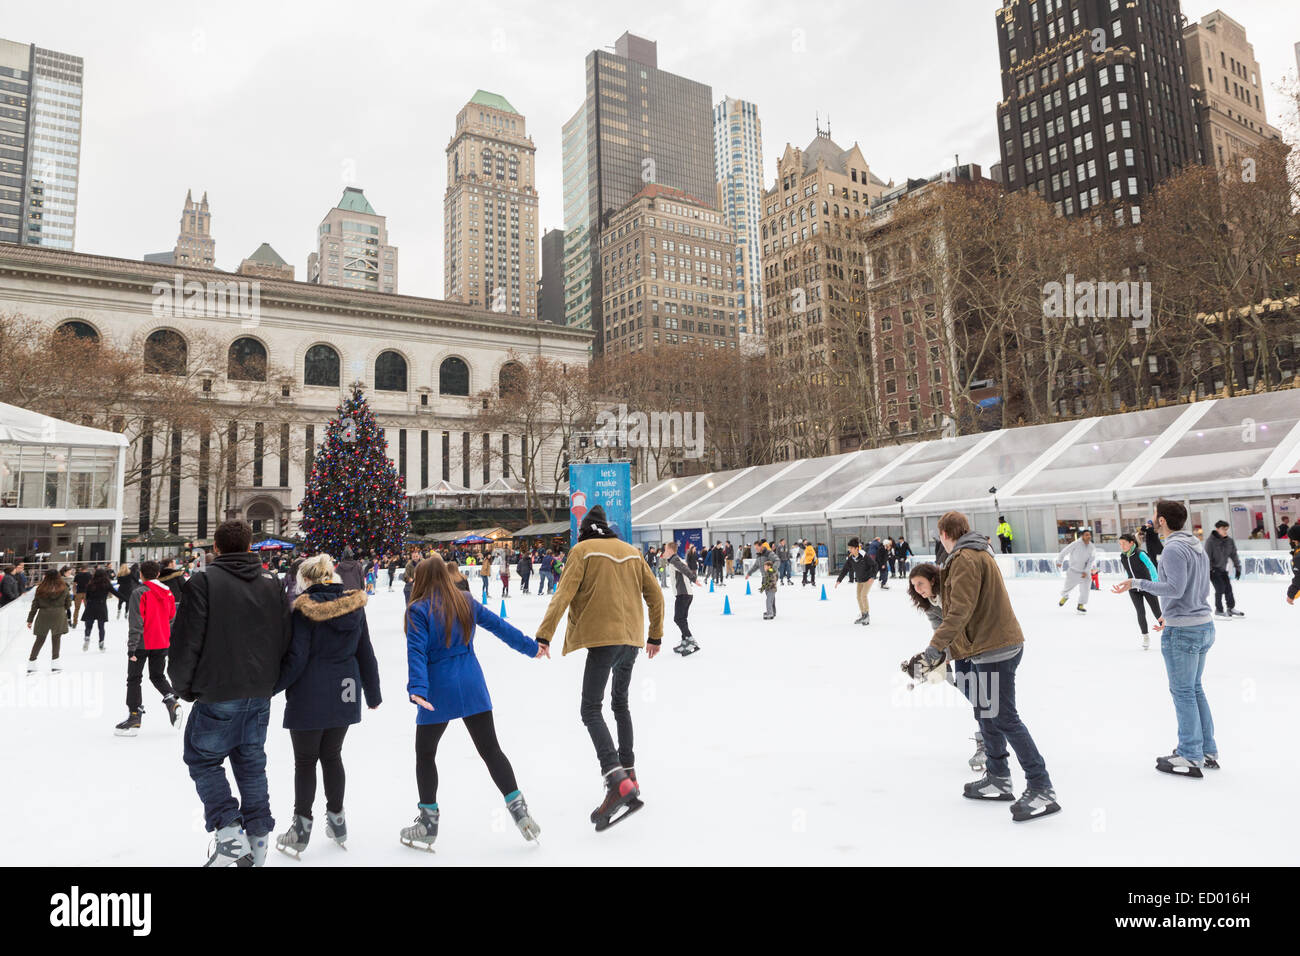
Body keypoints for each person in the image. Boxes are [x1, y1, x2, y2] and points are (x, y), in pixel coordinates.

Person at [912, 510, 1058, 821]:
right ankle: (998, 777)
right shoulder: (975, 554)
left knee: (1005, 717)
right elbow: (966, 613)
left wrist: (932, 651)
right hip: (987, 646)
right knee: (987, 713)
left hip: (996, 647)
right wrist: (944, 657)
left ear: (945, 534)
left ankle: (1041, 787)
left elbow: (960, 612)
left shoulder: (966, 558)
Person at [168, 519, 292, 867]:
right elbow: (285, 636)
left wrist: (183, 686)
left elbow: (186, 638)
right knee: (251, 764)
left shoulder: (205, 581)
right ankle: (258, 837)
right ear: (250, 546)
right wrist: (271, 681)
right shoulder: (272, 582)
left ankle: (228, 832)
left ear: (217, 549)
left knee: (202, 758)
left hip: (218, 690)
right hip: (258, 691)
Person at [399, 554, 544, 850]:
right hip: (470, 681)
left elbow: (416, 651)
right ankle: (520, 812)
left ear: (422, 579)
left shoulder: (418, 609)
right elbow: (500, 627)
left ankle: (428, 822)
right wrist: (531, 648)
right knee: (491, 750)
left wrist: (419, 689)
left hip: (438, 688)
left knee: (425, 754)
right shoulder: (464, 599)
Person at [536, 505, 664, 831]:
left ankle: (615, 779)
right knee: (619, 703)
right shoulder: (631, 552)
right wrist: (655, 635)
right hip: (632, 639)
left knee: (590, 709)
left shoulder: (582, 551)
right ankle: (630, 772)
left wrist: (544, 635)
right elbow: (656, 596)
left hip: (603, 639)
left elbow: (562, 594)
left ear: (585, 532)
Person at [273, 553, 381, 858]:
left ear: (306, 579)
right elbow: (366, 652)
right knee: (332, 755)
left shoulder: (303, 611)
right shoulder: (354, 608)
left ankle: (301, 828)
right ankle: (337, 820)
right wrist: (372, 693)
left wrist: (271, 688)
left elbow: (297, 658)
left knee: (305, 761)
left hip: (310, 691)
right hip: (346, 689)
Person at [1112, 500, 1218, 778]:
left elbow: (1174, 588)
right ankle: (1206, 749)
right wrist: (1167, 615)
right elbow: (1197, 587)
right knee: (1194, 689)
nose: (1151, 520)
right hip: (1202, 624)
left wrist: (1136, 583)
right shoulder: (1195, 545)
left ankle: (1190, 754)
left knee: (1184, 692)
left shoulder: (1172, 548)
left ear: (1161, 521)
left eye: (1154, 516)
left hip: (1184, 630)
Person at [906, 562, 985, 772]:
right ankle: (990, 733)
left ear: (933, 580)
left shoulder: (951, 593)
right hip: (961, 651)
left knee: (986, 696)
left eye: (921, 583)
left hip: (982, 644)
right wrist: (942, 658)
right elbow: (940, 633)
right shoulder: (930, 607)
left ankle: (989, 738)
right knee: (970, 690)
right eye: (914, 586)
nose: (918, 589)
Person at [116, 560, 182, 736]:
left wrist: (132, 646)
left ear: (140, 575)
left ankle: (134, 715)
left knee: (134, 678)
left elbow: (136, 622)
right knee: (158, 676)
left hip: (142, 643)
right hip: (161, 642)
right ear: (158, 574)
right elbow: (171, 616)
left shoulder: (139, 593)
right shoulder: (167, 592)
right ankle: (170, 700)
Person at [1118, 534, 1162, 650]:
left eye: (1124, 543)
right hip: (1133, 589)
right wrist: (1128, 585)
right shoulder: (1122, 557)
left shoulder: (1140, 553)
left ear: (1131, 543)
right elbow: (1129, 573)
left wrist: (1155, 582)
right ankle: (1145, 636)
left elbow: (1151, 566)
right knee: (1140, 612)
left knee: (1157, 612)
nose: (1121, 546)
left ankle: (1168, 634)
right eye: (1120, 544)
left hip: (1147, 586)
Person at [25, 569, 72, 674]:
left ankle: (31, 665)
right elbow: (68, 603)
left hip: (43, 615)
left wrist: (30, 619)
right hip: (58, 615)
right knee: (56, 639)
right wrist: (61, 608)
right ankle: (55, 665)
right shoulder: (64, 587)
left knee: (39, 640)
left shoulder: (40, 588)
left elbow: (35, 605)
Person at [661, 540, 702, 655]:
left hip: (683, 594)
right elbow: (664, 564)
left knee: (678, 618)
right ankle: (685, 641)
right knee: (682, 619)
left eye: (665, 549)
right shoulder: (673, 560)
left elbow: (684, 569)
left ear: (670, 550)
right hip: (685, 594)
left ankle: (691, 640)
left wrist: (694, 579)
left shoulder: (675, 560)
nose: (664, 551)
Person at [834, 537, 878, 626]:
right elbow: (845, 569)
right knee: (858, 597)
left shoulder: (864, 555)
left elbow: (875, 565)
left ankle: (866, 615)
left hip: (868, 579)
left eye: (851, 548)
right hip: (860, 579)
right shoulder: (851, 558)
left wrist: (873, 576)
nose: (849, 550)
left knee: (863, 595)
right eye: (849, 548)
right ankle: (863, 615)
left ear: (856, 548)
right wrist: (839, 580)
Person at [1205, 521, 1244, 620]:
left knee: (1228, 589)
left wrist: (1238, 568)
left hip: (1222, 569)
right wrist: (1209, 570)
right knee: (1220, 588)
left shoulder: (1229, 541)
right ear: (1217, 529)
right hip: (1213, 570)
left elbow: (1234, 555)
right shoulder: (1210, 541)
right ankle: (1219, 610)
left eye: (1226, 529)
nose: (1225, 531)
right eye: (1223, 529)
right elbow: (1207, 557)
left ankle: (1230, 608)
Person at [1056, 529, 1097, 613]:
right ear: (1082, 536)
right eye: (1086, 535)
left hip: (1085, 572)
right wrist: (1059, 561)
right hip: (1073, 571)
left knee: (1085, 589)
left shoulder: (1092, 546)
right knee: (1067, 588)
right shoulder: (1075, 544)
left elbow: (1091, 560)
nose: (1089, 536)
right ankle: (1065, 597)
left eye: (1089, 535)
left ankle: (1080, 605)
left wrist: (1086, 571)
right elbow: (1064, 552)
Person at [80, 568, 117, 653]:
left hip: (91, 606)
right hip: (101, 606)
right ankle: (101, 643)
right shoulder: (106, 584)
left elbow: (87, 596)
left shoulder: (90, 584)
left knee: (88, 625)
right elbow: (116, 593)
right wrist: (127, 599)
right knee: (101, 627)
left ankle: (87, 637)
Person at [1287, 526, 1300, 606]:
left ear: (1294, 540)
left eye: (1289, 538)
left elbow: (1299, 578)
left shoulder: (1298, 557)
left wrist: (1291, 594)